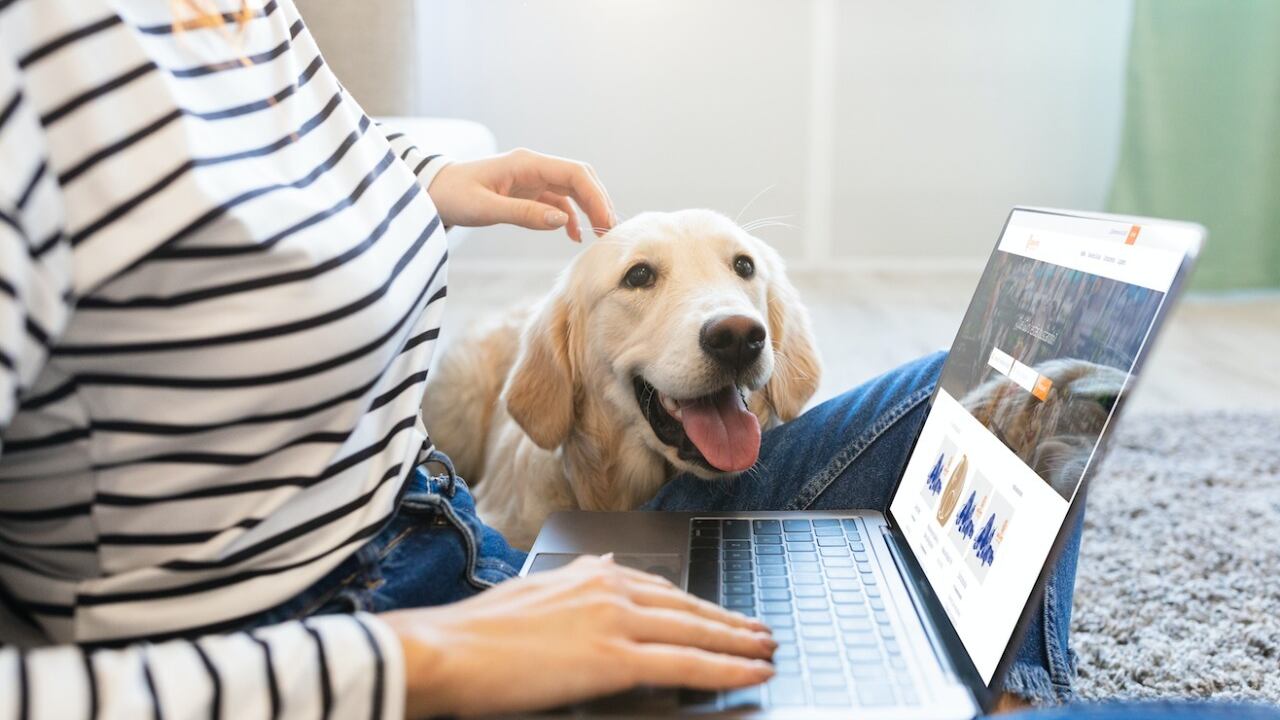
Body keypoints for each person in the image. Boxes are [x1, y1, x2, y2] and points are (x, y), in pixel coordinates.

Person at [0, 1, 1095, 717]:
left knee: (1044, 385)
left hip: (454, 539)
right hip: (352, 652)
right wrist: (435, 658)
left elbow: (253, 165)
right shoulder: (31, 65)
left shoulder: (248, 13)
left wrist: (414, 177)